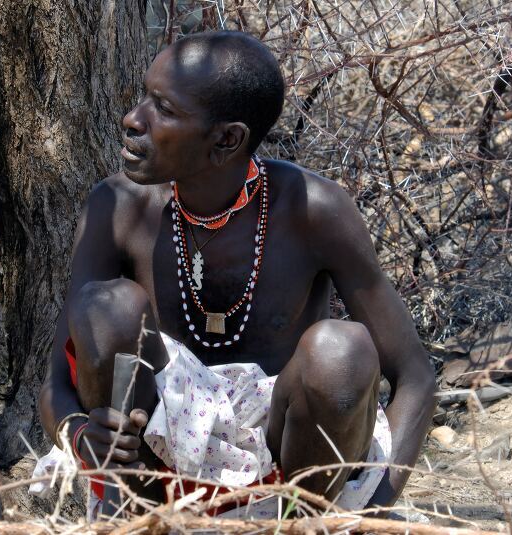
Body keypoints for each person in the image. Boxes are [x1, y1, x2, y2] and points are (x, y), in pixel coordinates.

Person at [38, 30, 435, 515]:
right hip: (158, 482)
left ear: (227, 139)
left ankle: (301, 526)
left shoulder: (314, 210)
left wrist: (373, 508)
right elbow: (57, 381)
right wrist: (79, 434)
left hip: (291, 477)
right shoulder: (118, 208)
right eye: (143, 97)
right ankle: (132, 519)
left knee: (339, 351)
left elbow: (414, 376)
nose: (133, 119)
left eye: (163, 109)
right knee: (108, 307)